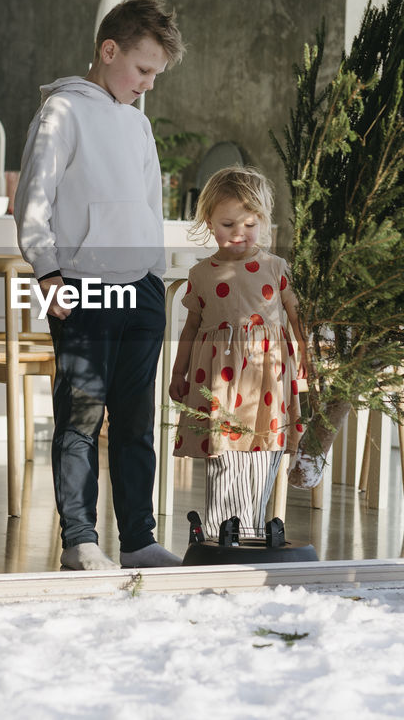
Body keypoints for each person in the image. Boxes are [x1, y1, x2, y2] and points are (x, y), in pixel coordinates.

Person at [14, 0, 185, 571]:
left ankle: (138, 539)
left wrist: (155, 278)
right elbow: (31, 200)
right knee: (81, 418)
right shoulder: (63, 111)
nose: (148, 85)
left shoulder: (137, 121)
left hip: (141, 288)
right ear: (108, 51)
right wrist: (47, 272)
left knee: (137, 424)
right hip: (83, 286)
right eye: (142, 70)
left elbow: (148, 203)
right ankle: (80, 542)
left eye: (156, 75)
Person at [169, 166, 311, 539]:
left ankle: (249, 527)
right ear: (209, 222)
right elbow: (191, 328)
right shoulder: (202, 274)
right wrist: (177, 373)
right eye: (228, 224)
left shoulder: (276, 268)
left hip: (266, 377)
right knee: (223, 453)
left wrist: (307, 356)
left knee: (262, 451)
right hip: (219, 381)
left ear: (263, 221)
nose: (238, 234)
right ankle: (220, 532)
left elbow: (296, 317)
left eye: (249, 225)